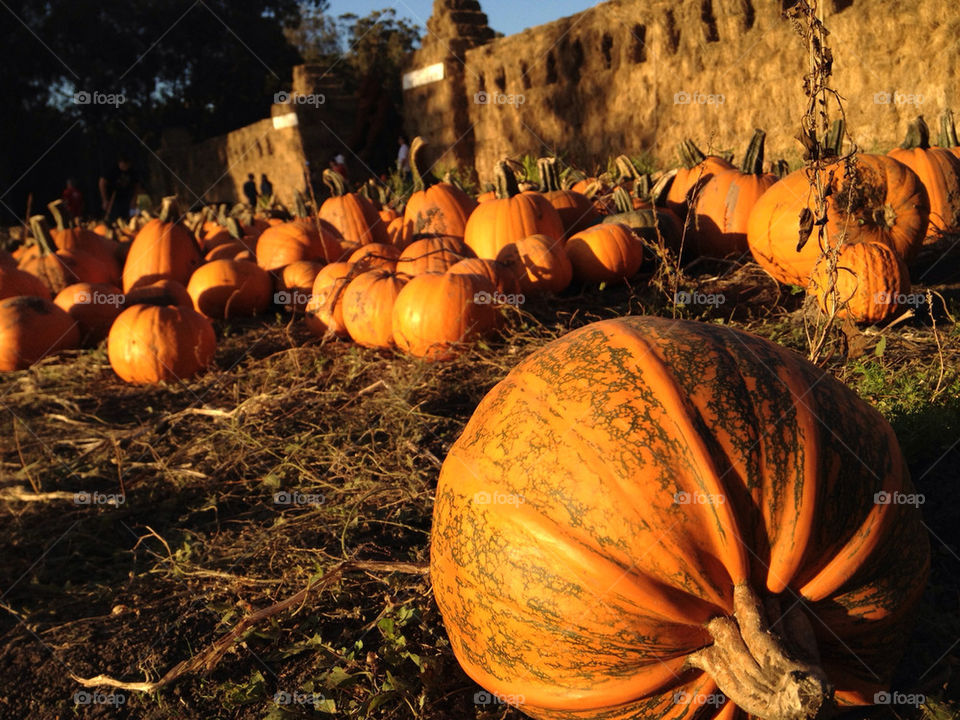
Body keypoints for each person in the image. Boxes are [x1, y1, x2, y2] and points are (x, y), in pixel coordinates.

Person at [99, 155, 140, 221]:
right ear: (119, 163)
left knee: (130, 217)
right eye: (122, 166)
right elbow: (102, 182)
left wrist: (134, 199)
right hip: (113, 198)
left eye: (126, 166)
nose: (124, 168)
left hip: (128, 196)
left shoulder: (132, 171)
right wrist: (104, 199)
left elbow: (137, 185)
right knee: (112, 218)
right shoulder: (112, 169)